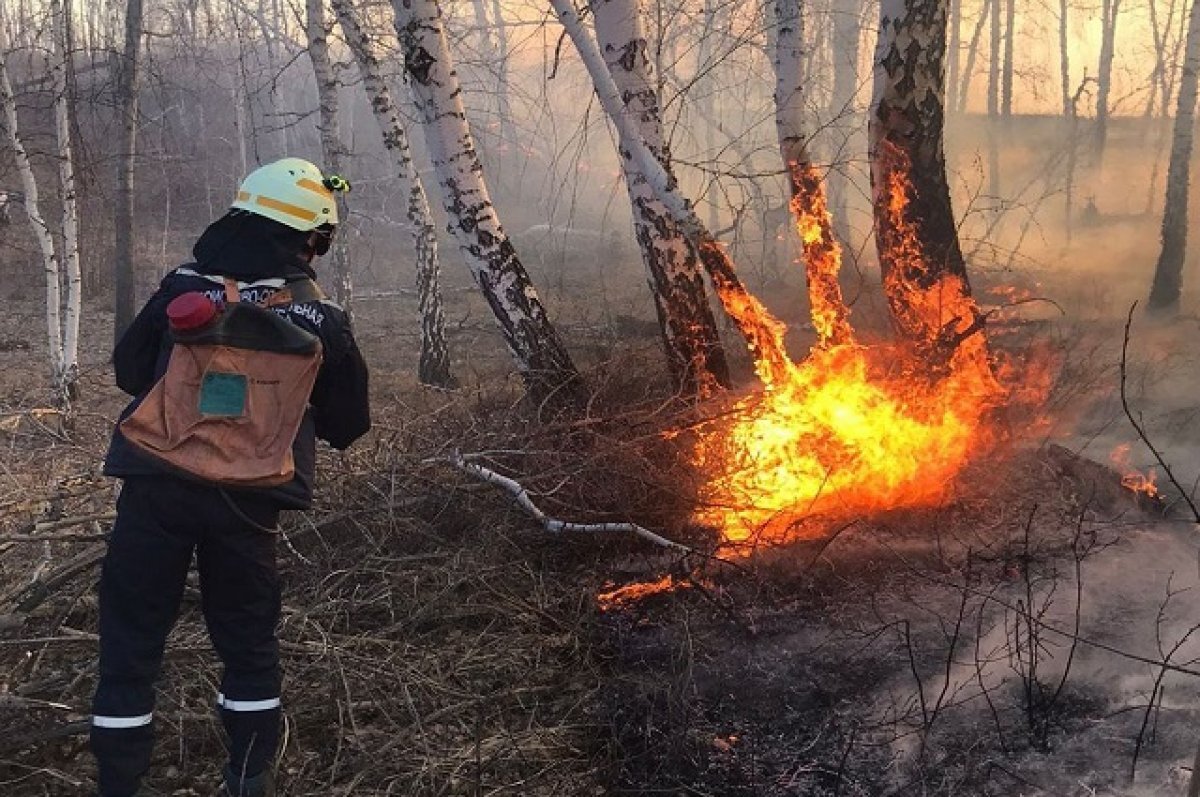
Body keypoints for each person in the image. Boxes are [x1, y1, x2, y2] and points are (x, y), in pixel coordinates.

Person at [92, 158, 370, 797]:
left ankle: (118, 785)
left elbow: (132, 372)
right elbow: (348, 424)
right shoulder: (322, 316)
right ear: (310, 236)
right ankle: (248, 778)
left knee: (130, 644)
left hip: (155, 484)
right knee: (247, 645)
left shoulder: (181, 286)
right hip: (249, 504)